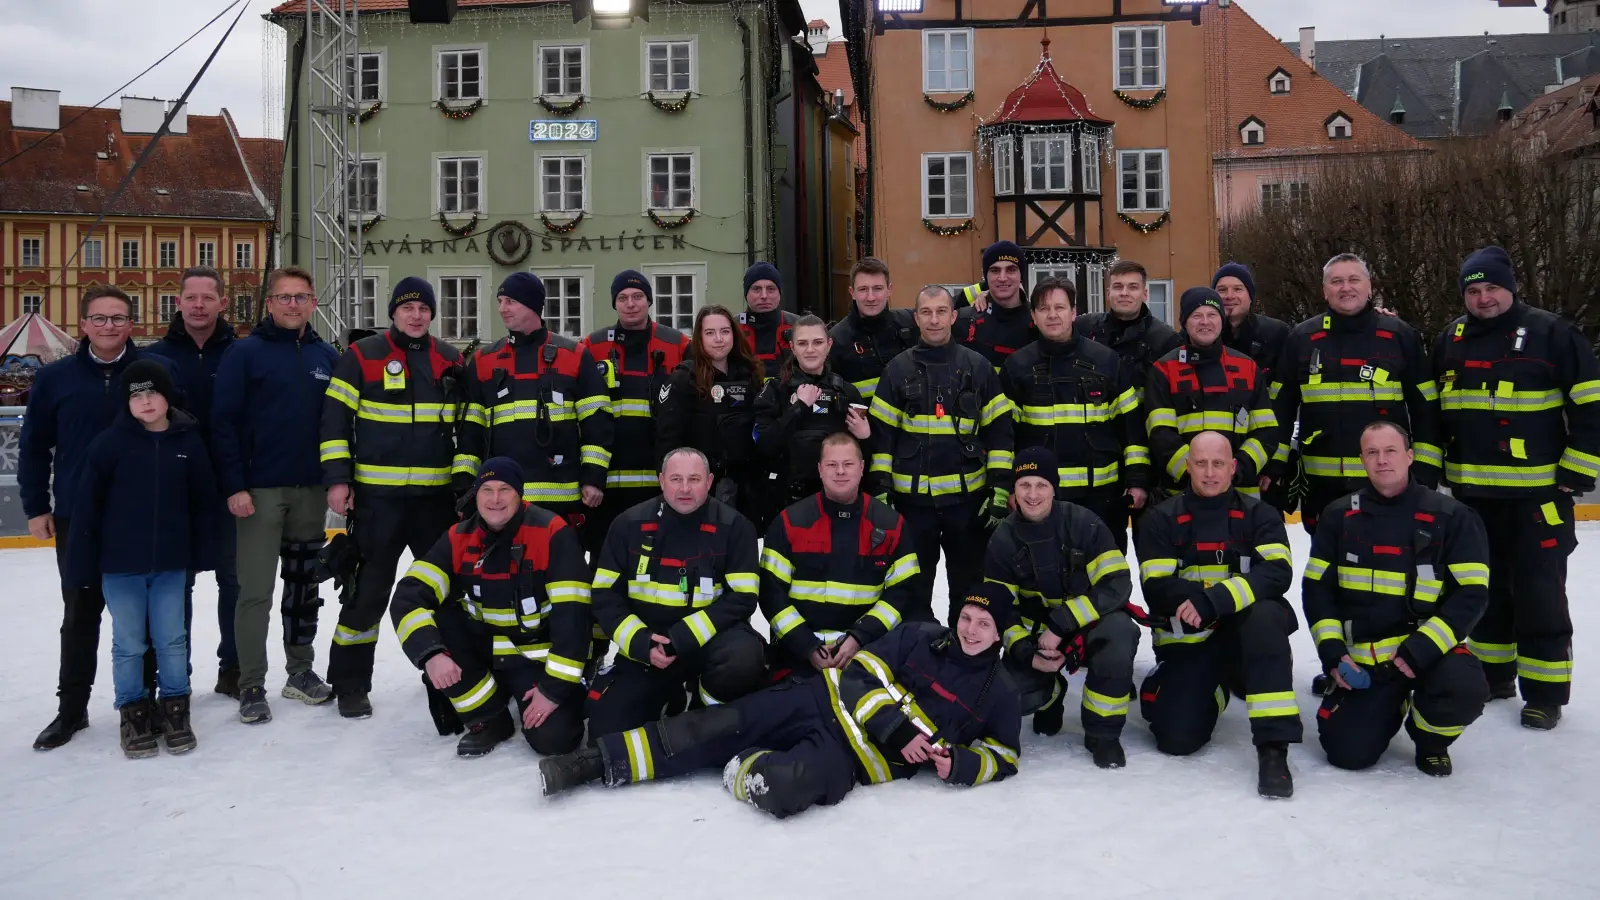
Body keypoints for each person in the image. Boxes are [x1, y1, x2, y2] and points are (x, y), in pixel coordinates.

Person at [539, 589, 1022, 818]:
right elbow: (860, 671)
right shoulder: (922, 636)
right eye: (967, 616)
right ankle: (591, 763)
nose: (970, 629)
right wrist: (898, 728)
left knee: (786, 790)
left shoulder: (999, 692)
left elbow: (1005, 756)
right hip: (815, 699)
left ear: (999, 632)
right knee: (712, 725)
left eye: (984, 623)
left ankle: (739, 765)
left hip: (853, 758)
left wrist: (958, 764)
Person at [1432, 247, 1600, 729]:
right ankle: (1494, 674)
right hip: (1473, 499)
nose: (1483, 298)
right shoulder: (1451, 339)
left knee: (1539, 593)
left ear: (1511, 287)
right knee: (1483, 590)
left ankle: (1545, 693)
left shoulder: (1553, 333)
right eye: (1473, 290)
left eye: (1492, 288)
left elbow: (1591, 406)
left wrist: (1576, 470)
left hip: (1537, 498)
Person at [22, 285, 177, 750]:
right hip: (79, 517)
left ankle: (143, 704)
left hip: (141, 515)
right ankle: (71, 709)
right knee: (81, 613)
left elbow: (181, 432)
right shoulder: (56, 378)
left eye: (117, 318)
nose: (109, 326)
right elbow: (33, 446)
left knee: (146, 618)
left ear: (130, 324)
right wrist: (36, 507)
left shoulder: (157, 372)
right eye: (99, 318)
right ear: (83, 325)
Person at [1303, 421, 1490, 776]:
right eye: (1372, 452)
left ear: (1409, 455)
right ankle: (1390, 703)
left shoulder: (1452, 517)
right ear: (1362, 459)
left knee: (1463, 687)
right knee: (1347, 753)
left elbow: (1472, 594)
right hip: (1366, 662)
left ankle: (1429, 738)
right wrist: (1331, 651)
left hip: (1427, 652)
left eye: (1390, 451)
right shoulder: (1339, 515)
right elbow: (1317, 589)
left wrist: (1421, 649)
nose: (1381, 460)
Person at [318, 277, 464, 719]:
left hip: (435, 501)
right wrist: (338, 480)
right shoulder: (363, 356)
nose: (416, 315)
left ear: (433, 314)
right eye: (407, 308)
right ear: (393, 313)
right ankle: (349, 683)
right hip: (377, 501)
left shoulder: (451, 359)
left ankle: (451, 680)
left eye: (423, 308)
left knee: (446, 594)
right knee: (366, 593)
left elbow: (469, 425)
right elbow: (334, 423)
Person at [387, 457, 591, 757]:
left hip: (533, 658)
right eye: (487, 490)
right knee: (440, 618)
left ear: (520, 494)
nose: (495, 499)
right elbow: (408, 597)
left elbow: (574, 618)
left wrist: (553, 691)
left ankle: (542, 699)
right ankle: (488, 718)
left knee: (555, 739)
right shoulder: (458, 537)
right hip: (483, 652)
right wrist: (429, 654)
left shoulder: (551, 532)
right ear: (476, 494)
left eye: (505, 489)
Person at [1134, 432, 1299, 798]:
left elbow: (1277, 573)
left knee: (1268, 613)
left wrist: (1215, 601)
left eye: (1218, 464)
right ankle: (1218, 686)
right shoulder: (1160, 519)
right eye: (1202, 463)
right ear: (1188, 466)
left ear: (1233, 467)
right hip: (1192, 646)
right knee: (1176, 739)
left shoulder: (1260, 514)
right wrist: (1221, 599)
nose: (1210, 473)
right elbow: (1158, 587)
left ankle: (1274, 749)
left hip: (1246, 638)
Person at [67, 361, 215, 758]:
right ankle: (133, 712)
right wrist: (81, 565)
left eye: (153, 393)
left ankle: (175, 708)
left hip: (171, 563)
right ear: (126, 401)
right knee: (129, 643)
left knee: (171, 639)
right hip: (120, 566)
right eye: (136, 395)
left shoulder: (188, 441)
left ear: (168, 397)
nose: (146, 401)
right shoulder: (109, 445)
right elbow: (86, 511)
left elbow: (203, 503)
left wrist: (203, 552)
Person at [213, 265, 340, 724]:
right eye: (283, 297)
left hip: (311, 490)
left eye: (301, 297)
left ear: (313, 303)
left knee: (303, 587)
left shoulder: (327, 355)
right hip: (259, 491)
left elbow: (338, 425)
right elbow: (223, 424)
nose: (292, 305)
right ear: (269, 304)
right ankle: (250, 683)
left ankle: (300, 670)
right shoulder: (245, 354)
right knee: (256, 591)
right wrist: (235, 486)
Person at [586, 447, 767, 736]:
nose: (685, 488)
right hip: (648, 648)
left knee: (743, 657)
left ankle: (704, 711)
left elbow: (742, 598)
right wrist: (641, 643)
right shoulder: (627, 525)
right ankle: (671, 695)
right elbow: (606, 597)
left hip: (710, 643)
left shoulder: (735, 527)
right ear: (661, 481)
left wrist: (682, 637)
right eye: (676, 479)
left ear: (709, 482)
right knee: (606, 732)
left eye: (694, 480)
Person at [983, 447, 1138, 769]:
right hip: (1035, 636)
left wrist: (1061, 624)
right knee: (1014, 697)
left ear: (1055, 487)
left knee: (1120, 632)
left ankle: (1103, 733)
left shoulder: (1084, 524)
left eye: (1041, 485)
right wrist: (1027, 653)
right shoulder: (1003, 537)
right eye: (1024, 485)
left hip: (1086, 626)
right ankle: (1050, 695)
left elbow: (1118, 583)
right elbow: (999, 609)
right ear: (1014, 491)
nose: (1033, 494)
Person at [1266, 253, 1442, 534]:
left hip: (1388, 485)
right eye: (1336, 282)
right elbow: (1279, 412)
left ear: (1369, 287)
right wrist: (1275, 466)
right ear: (1325, 291)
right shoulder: (1302, 339)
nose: (1345, 288)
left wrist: (1424, 475)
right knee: (1327, 572)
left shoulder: (1400, 336)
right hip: (1322, 489)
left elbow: (1427, 410)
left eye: (1353, 280)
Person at [869, 285, 1015, 623]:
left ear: (953, 316)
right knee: (912, 590)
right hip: (911, 505)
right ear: (916, 318)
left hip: (968, 506)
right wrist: (881, 491)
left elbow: (1000, 434)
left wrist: (1000, 489)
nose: (934, 320)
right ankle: (919, 658)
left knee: (969, 590)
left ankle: (964, 658)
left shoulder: (978, 368)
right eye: (926, 312)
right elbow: (882, 439)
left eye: (941, 311)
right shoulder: (896, 370)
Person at [454, 272, 614, 540]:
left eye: (511, 301)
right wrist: (463, 483)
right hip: (501, 499)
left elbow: (597, 420)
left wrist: (594, 477)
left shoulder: (573, 356)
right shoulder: (484, 361)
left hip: (561, 498)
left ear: (533, 305)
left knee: (561, 574)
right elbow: (471, 429)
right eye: (500, 301)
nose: (502, 309)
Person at [145, 266, 242, 698]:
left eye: (208, 297)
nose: (199, 305)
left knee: (234, 583)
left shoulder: (241, 353)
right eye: (191, 297)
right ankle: (175, 672)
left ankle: (234, 669)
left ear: (223, 303)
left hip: (231, 486)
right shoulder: (156, 357)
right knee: (175, 584)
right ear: (178, 302)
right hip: (174, 489)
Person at [1002, 277, 1146, 553]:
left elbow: (1131, 428)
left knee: (1105, 575)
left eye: (1060, 307)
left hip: (1102, 497)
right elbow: (1005, 436)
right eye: (1044, 309)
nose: (1053, 315)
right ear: (1033, 315)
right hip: (1040, 499)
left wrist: (1137, 480)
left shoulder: (1106, 362)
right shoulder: (1017, 366)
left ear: (1073, 312)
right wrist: (1009, 486)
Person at [758, 433, 921, 675]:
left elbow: (903, 593)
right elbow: (772, 595)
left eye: (848, 464)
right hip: (798, 652)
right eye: (832, 465)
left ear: (862, 467)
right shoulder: (790, 522)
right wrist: (806, 645)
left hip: (867, 650)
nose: (840, 472)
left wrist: (860, 637)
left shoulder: (891, 525)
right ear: (820, 470)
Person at [578, 270, 692, 554]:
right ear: (614, 304)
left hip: (659, 477)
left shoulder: (677, 344)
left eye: (638, 296)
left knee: (658, 554)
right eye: (623, 297)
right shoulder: (592, 346)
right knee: (607, 556)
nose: (631, 303)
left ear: (649, 301)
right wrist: (590, 476)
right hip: (608, 479)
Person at [1076, 259, 1182, 537]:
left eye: (1133, 287)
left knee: (1155, 548)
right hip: (1096, 458)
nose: (1125, 293)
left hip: (1151, 461)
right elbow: (1042, 320)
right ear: (1107, 291)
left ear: (1145, 293)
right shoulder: (1085, 330)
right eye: (1118, 286)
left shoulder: (1166, 341)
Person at [1146, 288, 1277, 499]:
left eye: (1212, 315)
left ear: (1222, 320)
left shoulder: (1248, 367)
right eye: (1196, 315)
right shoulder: (1164, 370)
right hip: (1181, 495)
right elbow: (1161, 435)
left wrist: (1234, 472)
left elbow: (1266, 432)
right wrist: (1195, 476)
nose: (1204, 322)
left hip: (1239, 494)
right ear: (1185, 322)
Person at [655, 305, 765, 522]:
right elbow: (667, 442)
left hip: (744, 488)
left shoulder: (751, 375)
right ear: (699, 338)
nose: (719, 339)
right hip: (699, 488)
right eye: (710, 333)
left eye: (725, 332)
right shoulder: (683, 379)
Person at [753, 315, 874, 509]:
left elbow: (864, 460)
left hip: (839, 500)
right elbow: (764, 444)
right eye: (802, 343)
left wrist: (866, 437)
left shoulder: (846, 391)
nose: (810, 350)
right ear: (792, 347)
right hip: (788, 499)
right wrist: (798, 408)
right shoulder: (776, 390)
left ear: (829, 344)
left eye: (817, 342)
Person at [827, 257, 919, 403]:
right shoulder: (837, 339)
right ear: (852, 292)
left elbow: (942, 310)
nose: (871, 297)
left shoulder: (910, 322)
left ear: (889, 290)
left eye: (878, 289)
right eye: (863, 289)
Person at [956, 241, 1037, 371]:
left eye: (1011, 270)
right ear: (986, 277)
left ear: (1021, 275)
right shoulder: (963, 322)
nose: (1003, 277)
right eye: (995, 270)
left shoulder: (1038, 322)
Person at [1214, 262, 1290, 378]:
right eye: (1222, 290)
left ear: (1250, 296)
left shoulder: (1277, 334)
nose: (1229, 296)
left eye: (1238, 289)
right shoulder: (1197, 337)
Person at [737, 262, 798, 371]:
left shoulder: (798, 326)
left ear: (780, 293)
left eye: (771, 289)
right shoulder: (732, 327)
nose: (764, 296)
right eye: (757, 289)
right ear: (746, 294)